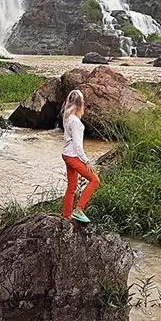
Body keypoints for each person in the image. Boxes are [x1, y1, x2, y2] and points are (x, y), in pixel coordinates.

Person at [60, 90, 99, 223]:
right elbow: (78, 146)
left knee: (72, 185)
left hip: (66, 154)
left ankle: (66, 214)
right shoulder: (76, 122)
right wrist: (86, 161)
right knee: (94, 180)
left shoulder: (67, 117)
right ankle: (79, 209)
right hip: (72, 156)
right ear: (80, 104)